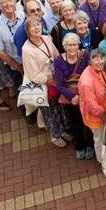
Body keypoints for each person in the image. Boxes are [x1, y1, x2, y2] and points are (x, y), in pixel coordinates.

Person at [21, 16, 69, 147]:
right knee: (50, 113)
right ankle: (56, 136)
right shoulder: (27, 50)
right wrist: (52, 82)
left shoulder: (46, 39)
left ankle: (63, 130)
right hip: (45, 86)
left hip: (56, 79)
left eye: (38, 24)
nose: (36, 28)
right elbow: (34, 75)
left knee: (61, 108)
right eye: (33, 26)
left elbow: (56, 56)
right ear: (27, 30)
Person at [54, 32, 94, 160]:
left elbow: (90, 76)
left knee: (88, 121)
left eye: (75, 45)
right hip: (70, 97)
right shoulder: (59, 60)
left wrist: (81, 96)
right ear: (64, 47)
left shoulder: (85, 56)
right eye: (69, 45)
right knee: (75, 122)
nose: (73, 48)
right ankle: (79, 145)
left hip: (85, 94)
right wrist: (73, 97)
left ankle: (90, 145)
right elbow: (59, 85)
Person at [78, 48, 106, 169]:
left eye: (101, 58)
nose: (100, 61)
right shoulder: (87, 81)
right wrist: (105, 116)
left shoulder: (100, 70)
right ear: (90, 61)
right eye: (96, 58)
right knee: (99, 139)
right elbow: (92, 106)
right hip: (97, 116)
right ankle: (102, 161)